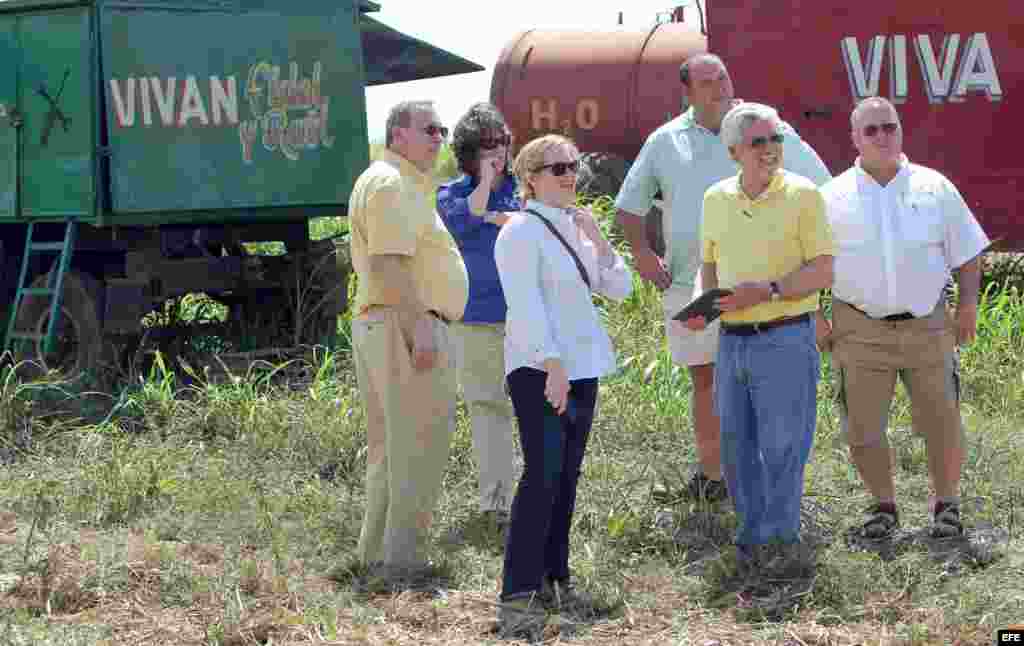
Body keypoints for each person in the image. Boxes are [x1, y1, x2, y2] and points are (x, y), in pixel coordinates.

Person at [615, 53, 832, 503]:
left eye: (723, 78)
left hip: (767, 292)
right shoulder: (664, 141)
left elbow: (824, 187)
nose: (720, 88)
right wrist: (641, 251)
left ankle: (768, 483)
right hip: (693, 287)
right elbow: (629, 205)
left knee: (766, 386)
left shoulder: (766, 128)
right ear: (687, 93)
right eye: (707, 82)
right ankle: (714, 477)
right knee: (706, 383)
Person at [817, 96, 988, 540]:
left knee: (942, 422)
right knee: (863, 429)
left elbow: (969, 253)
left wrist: (967, 306)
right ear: (854, 138)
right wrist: (815, 316)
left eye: (889, 127)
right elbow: (801, 260)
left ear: (900, 131)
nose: (882, 136)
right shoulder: (830, 197)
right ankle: (883, 508)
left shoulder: (935, 188)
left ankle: (947, 507)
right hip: (858, 329)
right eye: (870, 130)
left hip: (928, 326)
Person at [686, 102, 834, 580]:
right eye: (759, 142)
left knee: (785, 443)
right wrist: (705, 309)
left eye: (776, 140)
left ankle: (783, 540)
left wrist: (769, 291)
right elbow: (710, 265)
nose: (770, 149)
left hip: (786, 336)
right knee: (736, 444)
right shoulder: (715, 199)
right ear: (734, 151)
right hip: (732, 342)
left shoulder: (804, 195)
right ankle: (752, 538)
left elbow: (823, 269)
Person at [493, 134, 632, 636]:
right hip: (539, 368)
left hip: (581, 367)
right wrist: (552, 364)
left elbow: (620, 288)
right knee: (543, 473)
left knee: (566, 476)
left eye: (572, 165)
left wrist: (598, 237)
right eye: (556, 168)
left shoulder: (575, 227)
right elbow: (524, 304)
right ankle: (519, 593)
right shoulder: (519, 232)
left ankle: (555, 578)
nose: (569, 174)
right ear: (530, 179)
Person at [347, 100, 468, 579]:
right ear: (398, 134)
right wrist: (420, 328)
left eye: (442, 130)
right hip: (405, 326)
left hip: (391, 323)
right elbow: (389, 263)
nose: (440, 138)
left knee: (394, 446)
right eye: (429, 129)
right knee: (418, 443)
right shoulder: (391, 183)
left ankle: (377, 557)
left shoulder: (395, 181)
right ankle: (403, 563)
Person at [436, 103, 520, 523]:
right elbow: (462, 223)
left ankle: (540, 496)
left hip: (527, 318)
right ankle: (497, 503)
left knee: (537, 409)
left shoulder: (527, 190)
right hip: (475, 319)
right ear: (468, 151)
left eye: (501, 142)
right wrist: (485, 185)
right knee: (488, 407)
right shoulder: (450, 195)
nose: (497, 151)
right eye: (486, 145)